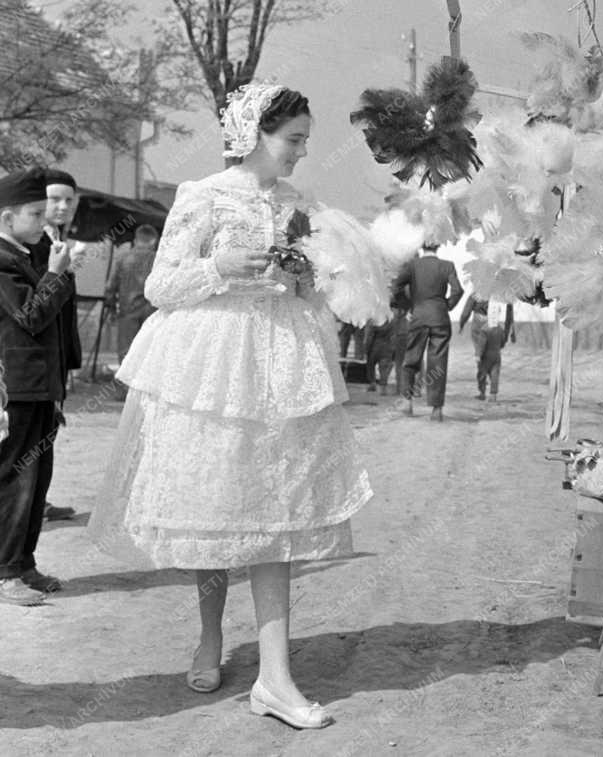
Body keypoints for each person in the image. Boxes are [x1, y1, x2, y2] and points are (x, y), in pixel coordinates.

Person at [88, 82, 372, 728]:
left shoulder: (300, 202)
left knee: (275, 510)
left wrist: (305, 275)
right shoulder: (203, 196)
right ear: (255, 135)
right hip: (214, 358)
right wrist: (218, 265)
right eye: (292, 139)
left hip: (281, 360)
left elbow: (310, 288)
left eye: (305, 140)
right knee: (215, 507)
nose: (301, 152)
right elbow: (162, 285)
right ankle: (210, 633)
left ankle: (275, 676)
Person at [0, 168, 74, 605]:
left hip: (41, 388)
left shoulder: (25, 254)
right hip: (17, 389)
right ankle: (5, 571)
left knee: (38, 480)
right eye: (35, 213)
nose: (44, 220)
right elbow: (29, 316)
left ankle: (23, 564)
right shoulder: (4, 261)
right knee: (15, 480)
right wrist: (55, 275)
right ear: (8, 218)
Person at [28, 169, 82, 522]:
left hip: (55, 356)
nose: (62, 207)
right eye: (54, 199)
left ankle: (37, 502)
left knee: (46, 434)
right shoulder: (31, 245)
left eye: (69, 200)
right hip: (30, 361)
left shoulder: (59, 241)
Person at [394, 243, 464, 421]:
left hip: (418, 317)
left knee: (411, 359)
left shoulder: (413, 266)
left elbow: (395, 287)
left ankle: (407, 402)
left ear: (421, 244)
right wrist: (445, 305)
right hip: (440, 318)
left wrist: (407, 306)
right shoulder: (447, 265)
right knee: (438, 363)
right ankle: (436, 409)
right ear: (439, 245)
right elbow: (458, 290)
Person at [104, 224, 159, 365]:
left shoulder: (123, 258)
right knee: (149, 355)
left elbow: (110, 287)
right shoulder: (159, 260)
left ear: (135, 240)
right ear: (154, 241)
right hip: (152, 314)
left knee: (126, 355)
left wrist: (111, 309)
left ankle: (123, 386)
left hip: (127, 311)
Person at [458, 293, 514, 401]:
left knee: (481, 356)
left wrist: (461, 324)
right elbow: (509, 311)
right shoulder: (500, 291)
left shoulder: (477, 292)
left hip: (479, 323)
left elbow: (467, 310)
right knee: (494, 365)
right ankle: (492, 392)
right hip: (495, 324)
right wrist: (507, 334)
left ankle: (482, 389)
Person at [362, 316, 394, 393]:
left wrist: (366, 349)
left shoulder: (372, 320)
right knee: (384, 367)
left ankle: (372, 384)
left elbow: (368, 336)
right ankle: (383, 388)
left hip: (374, 347)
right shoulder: (390, 319)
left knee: (370, 365)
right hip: (387, 346)